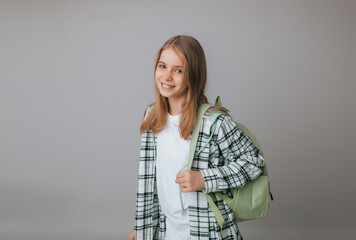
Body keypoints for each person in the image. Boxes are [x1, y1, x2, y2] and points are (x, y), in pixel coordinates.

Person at [129, 35, 265, 240]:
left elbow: (255, 162)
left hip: (207, 231)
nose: (167, 76)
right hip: (168, 231)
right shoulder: (152, 116)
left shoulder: (213, 122)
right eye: (162, 66)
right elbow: (150, 186)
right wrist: (143, 231)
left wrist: (204, 179)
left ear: (194, 75)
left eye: (178, 70)